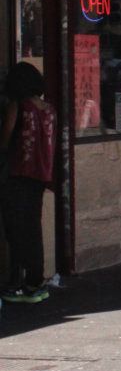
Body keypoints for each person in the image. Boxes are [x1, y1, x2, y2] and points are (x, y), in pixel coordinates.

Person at [0, 62, 56, 302]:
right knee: (32, 227)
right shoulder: (49, 109)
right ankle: (36, 282)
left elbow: (4, 140)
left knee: (14, 229)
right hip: (40, 175)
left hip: (18, 173)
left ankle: (26, 282)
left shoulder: (18, 106)